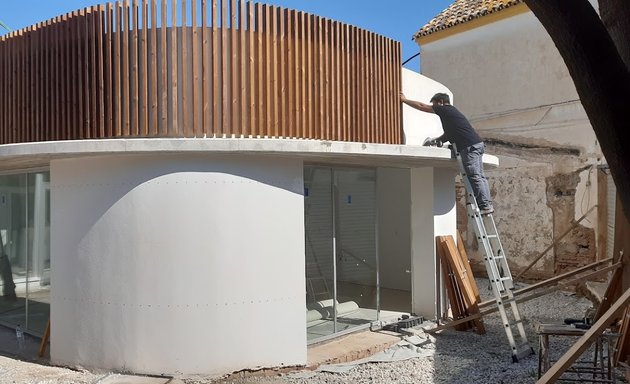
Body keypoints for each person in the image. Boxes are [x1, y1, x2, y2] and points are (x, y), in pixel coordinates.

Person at [400, 92, 494, 215]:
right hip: (476, 145)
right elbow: (449, 134)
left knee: (475, 176)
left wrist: (404, 100)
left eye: (434, 104)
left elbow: (421, 106)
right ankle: (487, 204)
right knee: (480, 176)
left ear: (440, 102)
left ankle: (485, 206)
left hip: (469, 147)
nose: (434, 107)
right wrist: (438, 140)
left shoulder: (444, 109)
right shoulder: (452, 114)